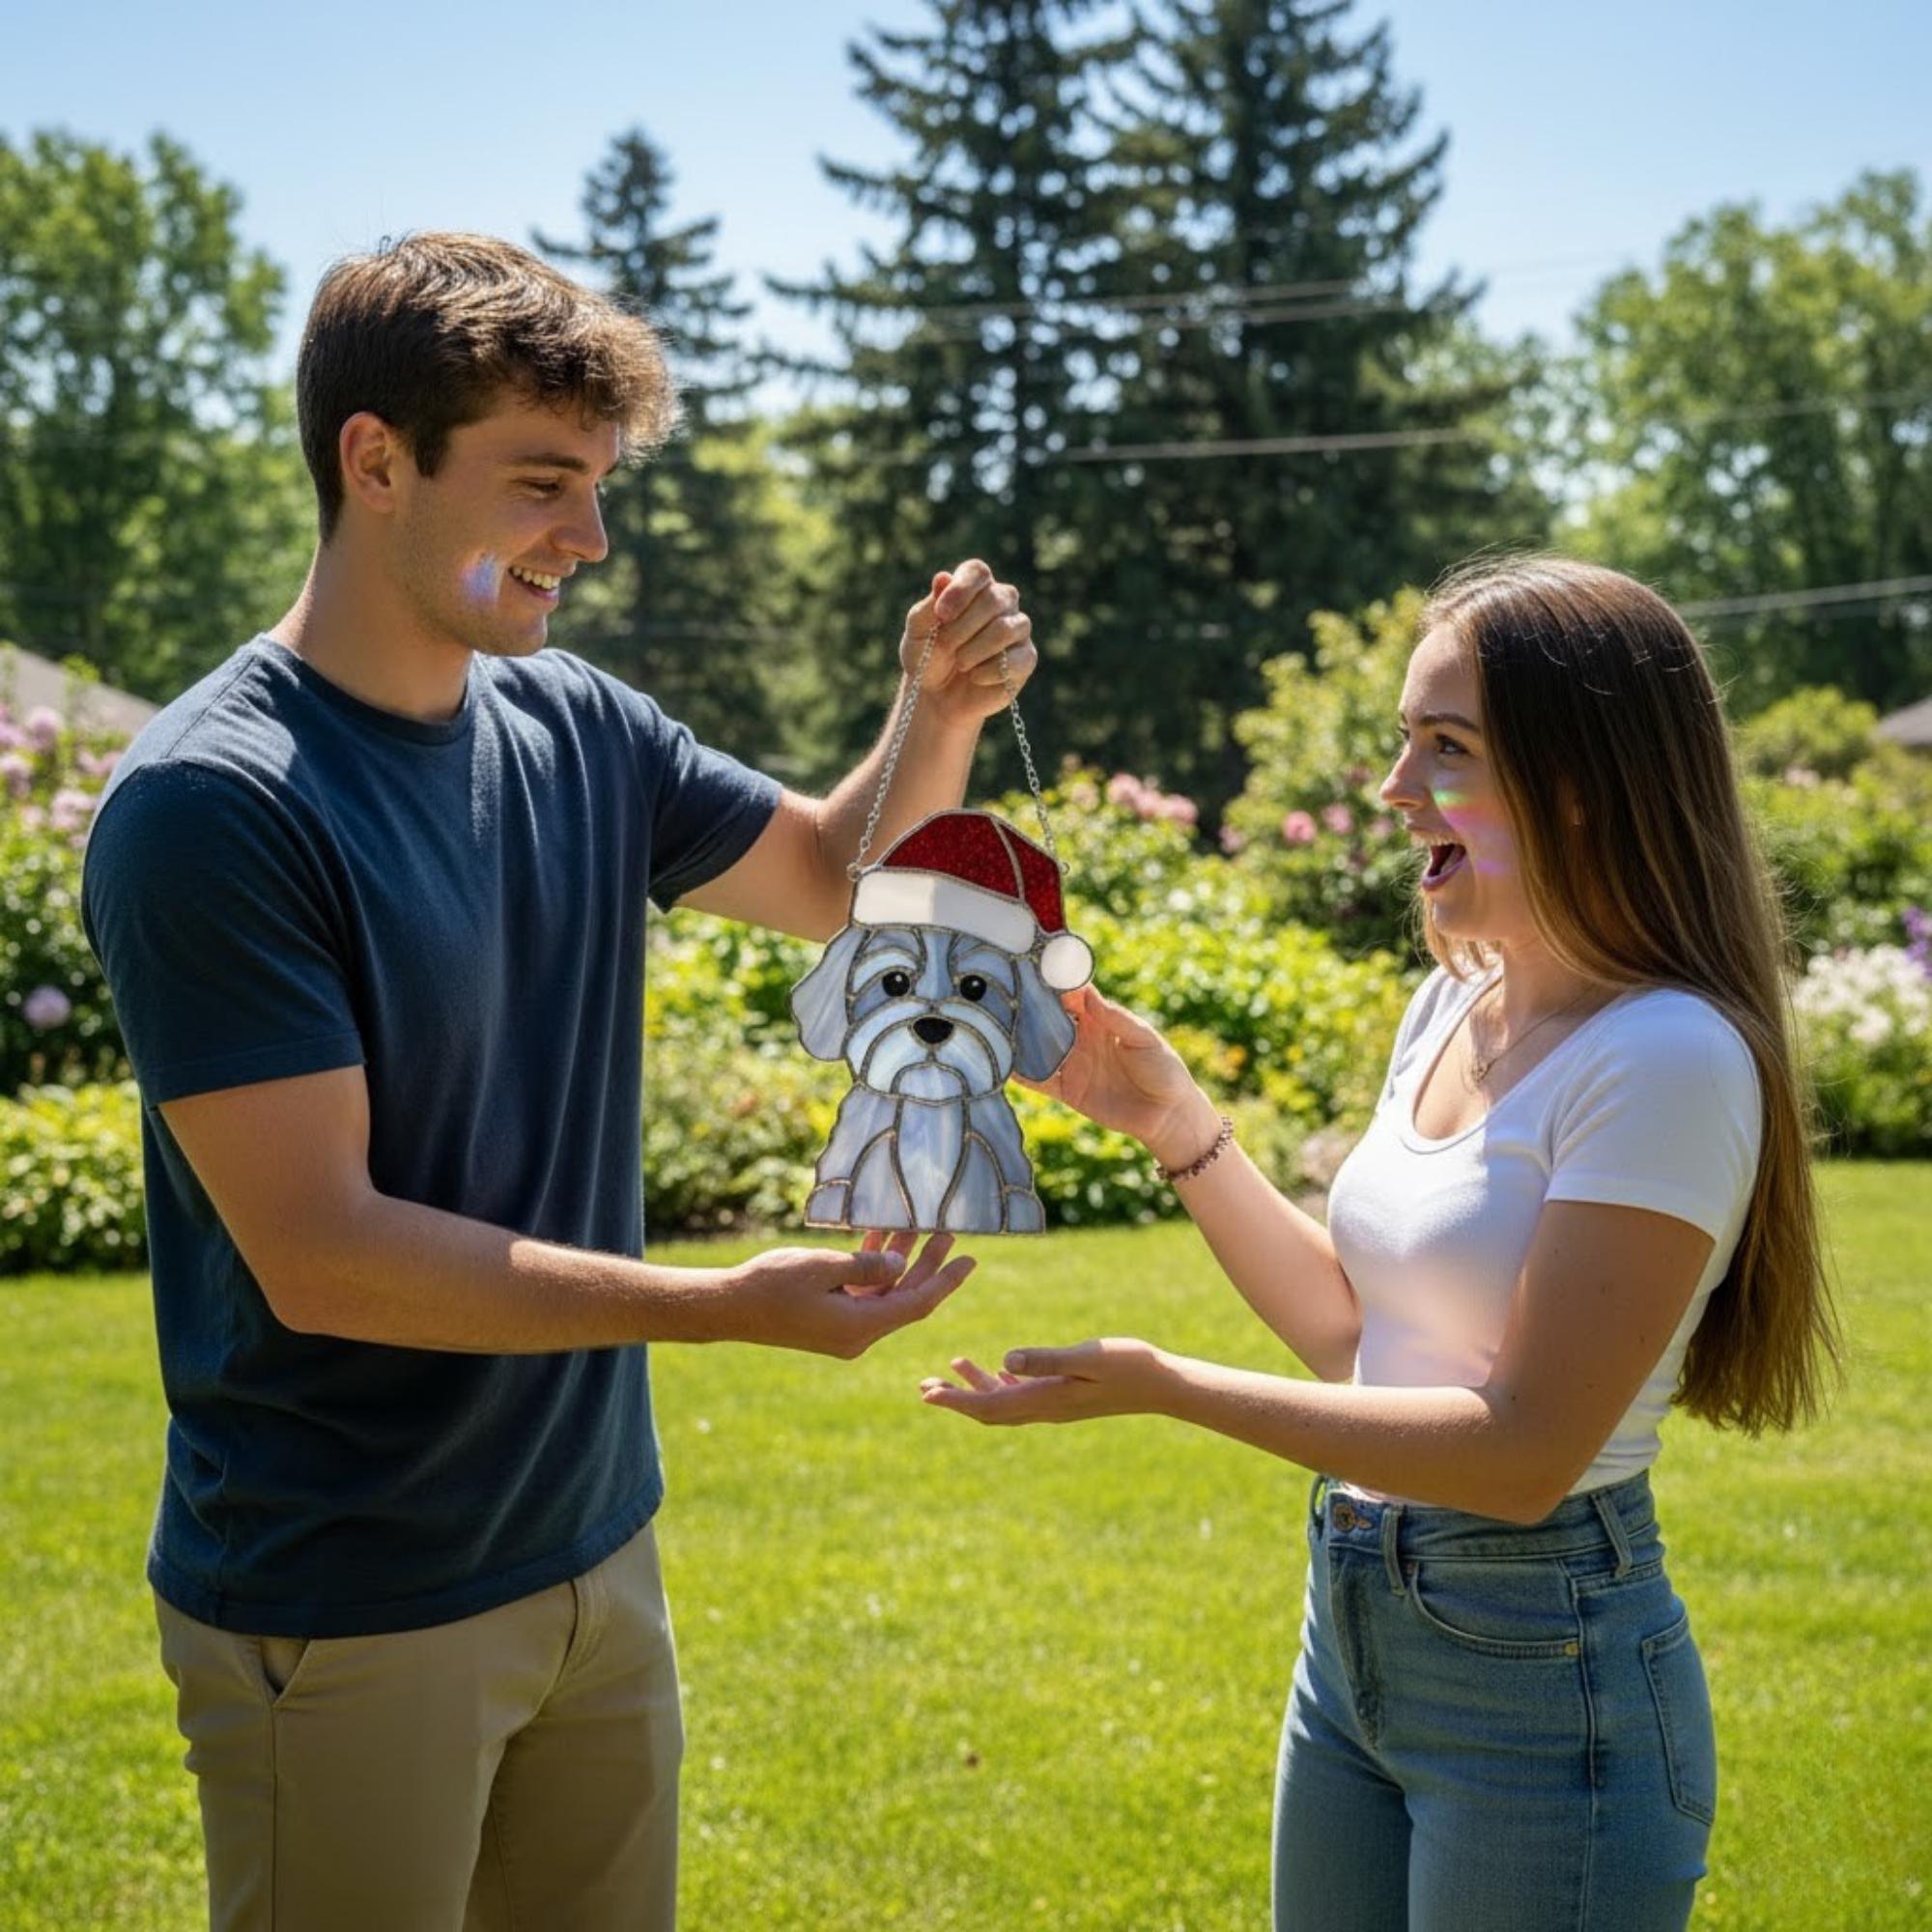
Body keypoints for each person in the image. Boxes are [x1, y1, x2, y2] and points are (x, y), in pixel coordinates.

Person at [80, 231, 1040, 1932]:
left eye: (597, 488)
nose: (586, 541)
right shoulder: (216, 806)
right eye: (542, 485)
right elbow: (325, 1253)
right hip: (355, 1593)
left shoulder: (577, 727)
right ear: (375, 461)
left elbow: (829, 872)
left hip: (595, 1545)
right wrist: (719, 1307)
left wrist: (934, 708)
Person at [922, 555, 1840, 1932]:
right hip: (1355, 1628)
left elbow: (1524, 1455)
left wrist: (1171, 1388)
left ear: (1583, 779)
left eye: (1447, 748)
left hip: (1541, 1661)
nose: (1397, 787)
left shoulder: (1667, 1058)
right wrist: (1173, 1120)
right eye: (1405, 741)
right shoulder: (1455, 1003)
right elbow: (1367, 1340)